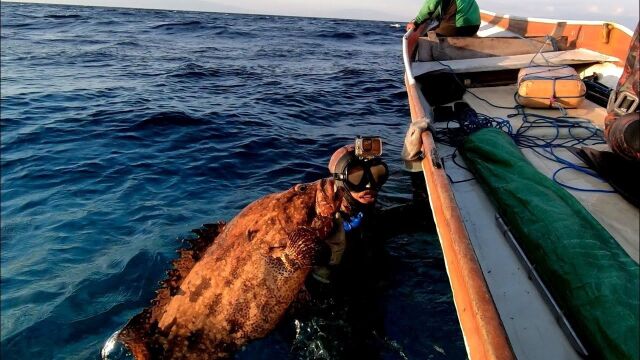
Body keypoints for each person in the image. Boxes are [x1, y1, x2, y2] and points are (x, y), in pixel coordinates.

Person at [288, 138, 432, 359]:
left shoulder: (375, 220)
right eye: (356, 178)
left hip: (373, 304)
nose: (369, 186)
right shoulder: (322, 228)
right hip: (333, 316)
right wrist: (323, 268)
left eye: (376, 175)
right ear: (340, 182)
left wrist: (412, 163)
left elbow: (423, 214)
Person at [406, 0, 481, 37]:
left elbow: (430, 6)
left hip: (460, 27)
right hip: (474, 27)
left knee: (426, 37)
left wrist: (416, 22)